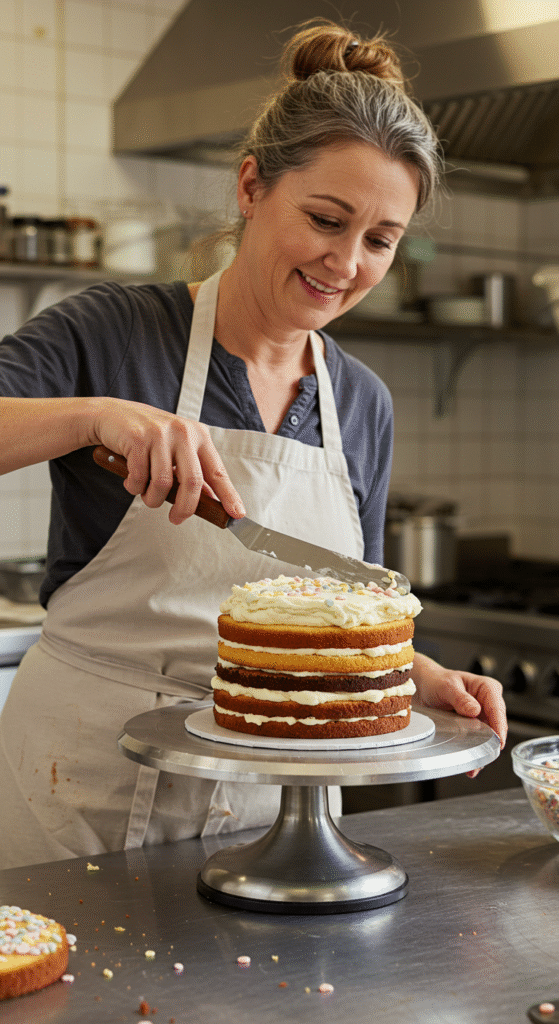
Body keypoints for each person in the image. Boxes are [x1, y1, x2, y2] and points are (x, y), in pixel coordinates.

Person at [0, 21, 507, 868]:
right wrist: (94, 416)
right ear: (249, 187)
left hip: (279, 801)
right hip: (84, 777)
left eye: (378, 240)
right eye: (325, 219)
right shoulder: (116, 331)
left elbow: (351, 607)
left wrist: (417, 673)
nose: (345, 263)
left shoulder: (361, 403)